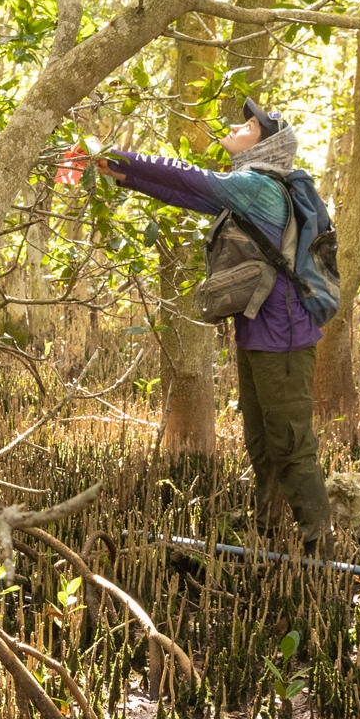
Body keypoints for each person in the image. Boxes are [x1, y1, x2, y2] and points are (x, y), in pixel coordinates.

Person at [96, 98, 332, 549]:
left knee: (292, 445)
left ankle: (321, 551)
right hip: (261, 331)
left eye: (248, 126)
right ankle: (268, 535)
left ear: (268, 144)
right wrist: (121, 173)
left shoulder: (258, 186)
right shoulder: (250, 187)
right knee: (262, 442)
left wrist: (118, 156)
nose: (235, 127)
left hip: (282, 335)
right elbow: (184, 193)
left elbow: (188, 177)